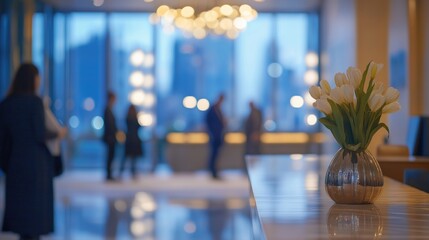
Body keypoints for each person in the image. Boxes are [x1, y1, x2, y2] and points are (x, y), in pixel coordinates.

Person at [0, 63, 64, 240]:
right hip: (37, 167)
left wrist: (7, 164)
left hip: (15, 165)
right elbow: (39, 133)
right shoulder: (35, 103)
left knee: (22, 219)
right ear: (33, 79)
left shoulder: (6, 104)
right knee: (35, 219)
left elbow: (3, 140)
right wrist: (58, 133)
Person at [205, 93, 225, 179]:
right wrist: (211, 132)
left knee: (216, 154)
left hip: (218, 135)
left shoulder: (219, 109)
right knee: (213, 154)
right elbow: (207, 121)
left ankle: (215, 171)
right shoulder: (213, 109)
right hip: (214, 135)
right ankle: (212, 171)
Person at [120, 104, 143, 179]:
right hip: (134, 140)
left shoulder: (127, 118)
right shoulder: (134, 118)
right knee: (133, 158)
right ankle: (132, 172)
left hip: (129, 139)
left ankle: (121, 172)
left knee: (126, 157)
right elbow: (139, 127)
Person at [102, 91, 118, 181]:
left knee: (111, 156)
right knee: (109, 156)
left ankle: (110, 173)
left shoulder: (110, 109)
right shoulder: (107, 110)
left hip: (111, 137)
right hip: (110, 138)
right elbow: (109, 126)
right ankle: (108, 174)